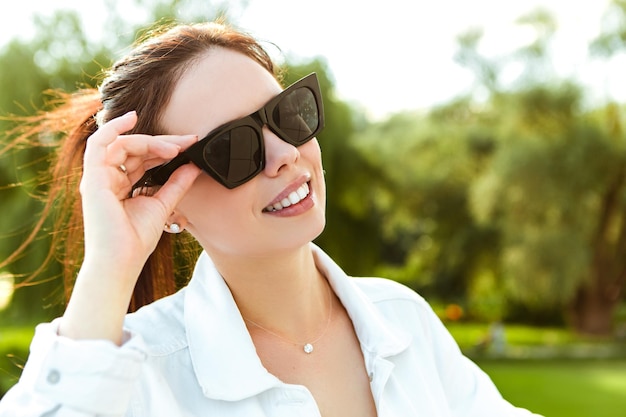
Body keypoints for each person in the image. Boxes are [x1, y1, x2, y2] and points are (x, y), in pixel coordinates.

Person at [0, 20, 542, 416]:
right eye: (235, 148)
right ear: (171, 202)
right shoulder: (139, 376)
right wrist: (109, 269)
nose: (285, 153)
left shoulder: (402, 320)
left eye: (286, 114)